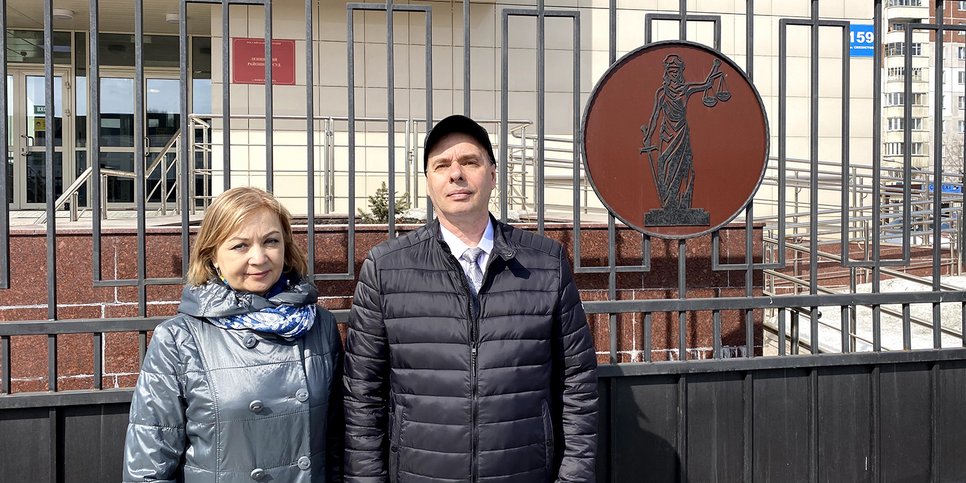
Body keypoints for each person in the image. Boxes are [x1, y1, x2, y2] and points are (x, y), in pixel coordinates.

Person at [344, 115, 598, 482]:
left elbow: (578, 383)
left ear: (493, 175)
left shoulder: (545, 263)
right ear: (428, 183)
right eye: (442, 165)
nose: (456, 174)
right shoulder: (386, 268)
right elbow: (362, 396)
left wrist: (573, 478)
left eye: (470, 162)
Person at [122, 187, 344, 482]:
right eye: (240, 246)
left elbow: (339, 445)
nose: (259, 257)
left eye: (271, 241)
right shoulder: (179, 338)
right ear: (213, 256)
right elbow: (149, 464)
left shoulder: (319, 326)